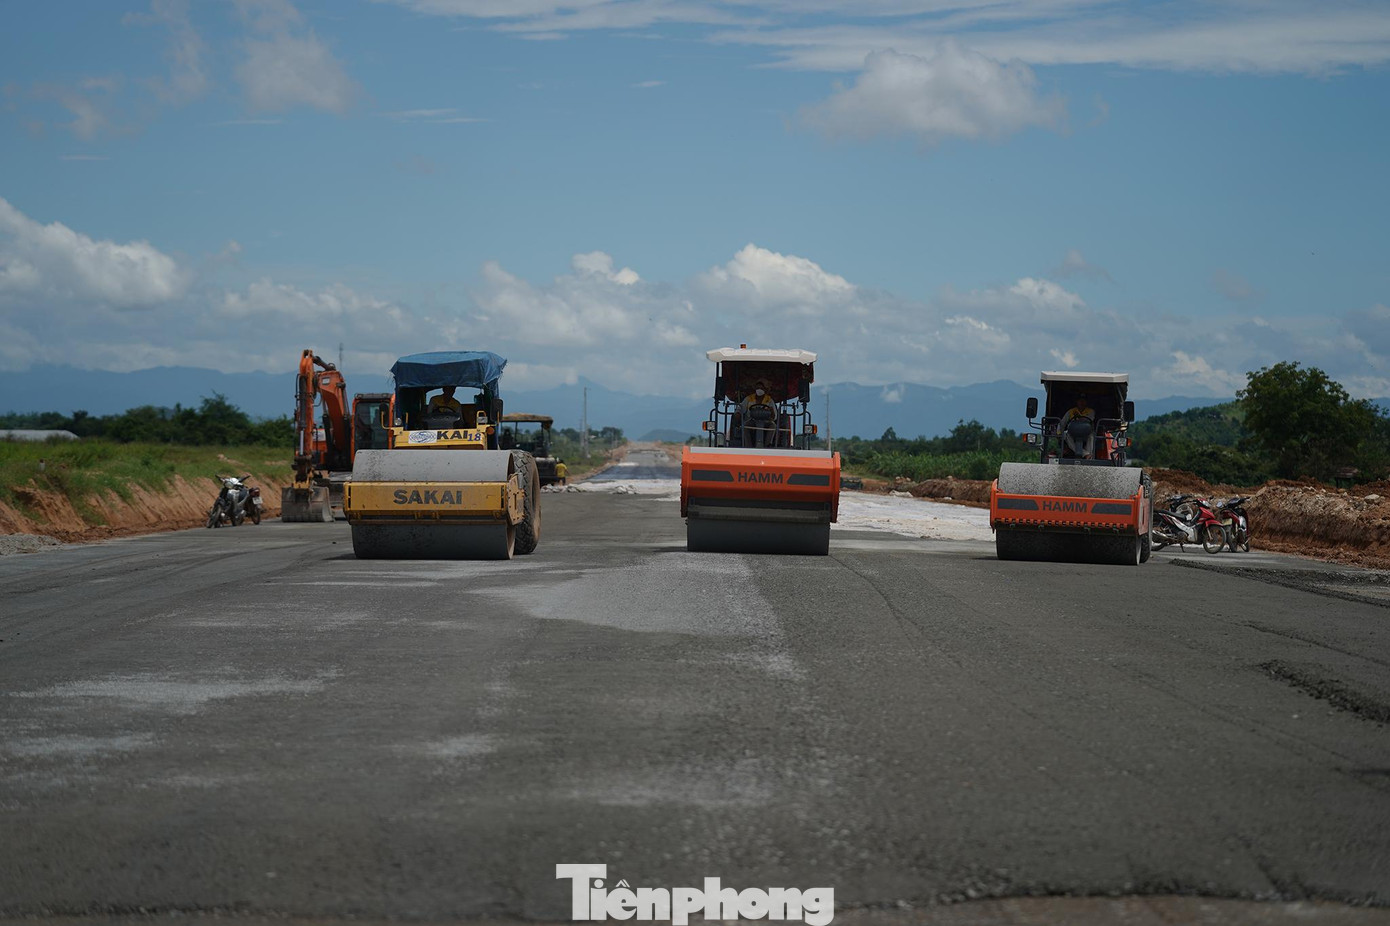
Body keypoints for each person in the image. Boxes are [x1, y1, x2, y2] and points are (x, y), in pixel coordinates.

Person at [738, 381, 778, 448]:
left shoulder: (769, 400)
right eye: (758, 388)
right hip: (751, 420)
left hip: (766, 421)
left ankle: (768, 445)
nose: (759, 389)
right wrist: (738, 413)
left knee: (773, 425)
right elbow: (740, 408)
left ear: (765, 390)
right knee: (745, 426)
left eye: (761, 388)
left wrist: (771, 412)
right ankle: (748, 445)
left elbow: (774, 417)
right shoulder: (749, 398)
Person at [1058, 393, 1097, 459]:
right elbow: (1062, 423)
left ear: (1086, 402)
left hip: (1086, 433)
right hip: (1073, 433)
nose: (1081, 402)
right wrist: (1059, 433)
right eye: (1080, 400)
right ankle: (1086, 454)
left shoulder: (1091, 411)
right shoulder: (1070, 412)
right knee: (1066, 434)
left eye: (1083, 400)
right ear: (1076, 402)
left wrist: (1078, 418)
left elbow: (1090, 419)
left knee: (1092, 436)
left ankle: (1089, 456)